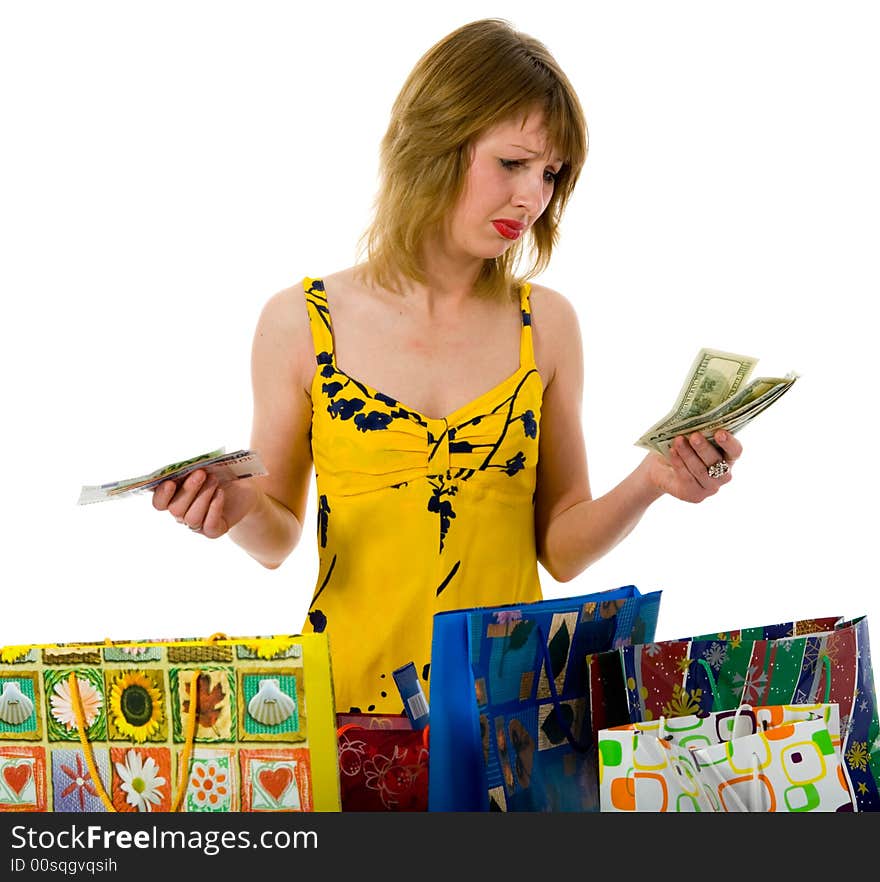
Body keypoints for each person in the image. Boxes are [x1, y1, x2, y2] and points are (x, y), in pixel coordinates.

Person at [151, 18, 742, 714]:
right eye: (513, 163)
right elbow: (277, 536)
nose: (532, 198)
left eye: (551, 174)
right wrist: (233, 505)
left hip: (510, 717)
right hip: (346, 709)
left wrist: (652, 480)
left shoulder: (545, 325)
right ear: (436, 141)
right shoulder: (302, 321)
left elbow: (561, 547)